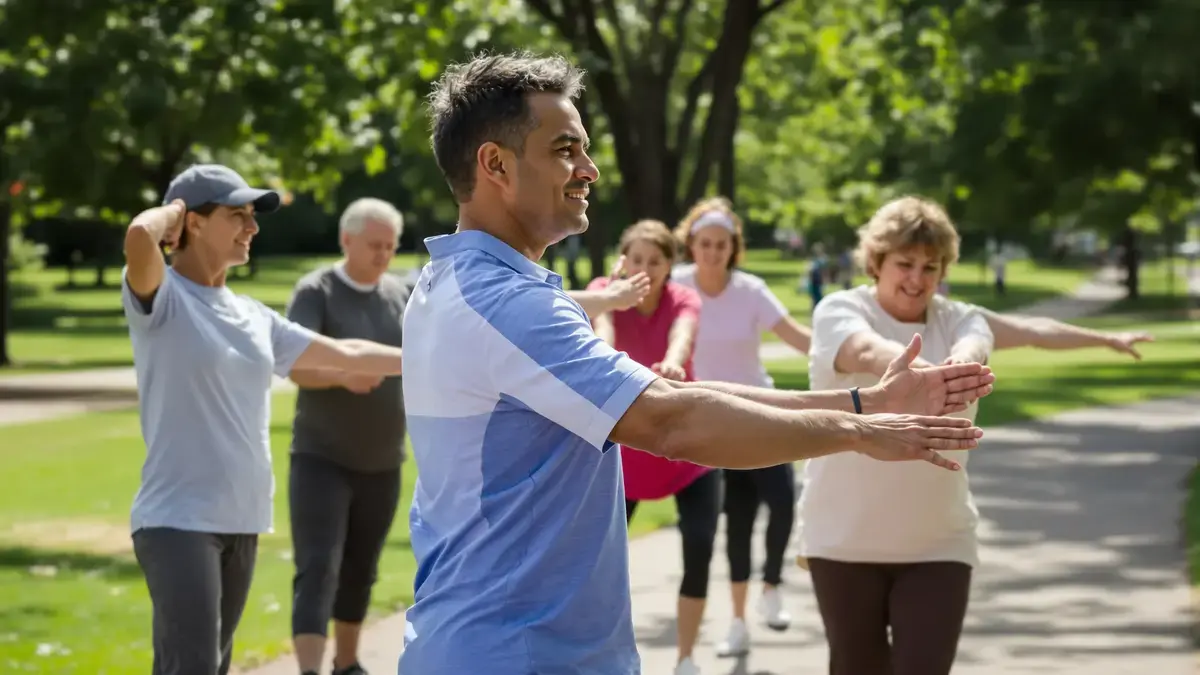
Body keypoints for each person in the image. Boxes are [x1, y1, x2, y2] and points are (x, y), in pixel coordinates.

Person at [398, 51, 995, 675]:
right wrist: (858, 432)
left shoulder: (456, 284)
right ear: (495, 163)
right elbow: (671, 423)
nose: (590, 169)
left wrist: (861, 402)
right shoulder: (507, 305)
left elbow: (664, 396)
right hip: (515, 653)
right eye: (565, 150)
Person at [120, 164, 406, 675]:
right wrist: (175, 211)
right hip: (178, 521)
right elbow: (141, 234)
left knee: (214, 665)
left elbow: (348, 353)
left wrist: (432, 359)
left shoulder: (252, 314)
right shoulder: (162, 299)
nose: (252, 228)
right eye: (237, 215)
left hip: (243, 518)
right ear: (194, 223)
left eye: (253, 217)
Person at [800, 195, 995, 675]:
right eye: (905, 264)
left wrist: (961, 363)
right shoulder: (839, 310)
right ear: (876, 262)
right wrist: (919, 373)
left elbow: (977, 343)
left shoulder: (961, 319)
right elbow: (863, 350)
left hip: (938, 542)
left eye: (931, 267)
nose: (917, 278)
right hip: (843, 540)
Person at [669, 197, 813, 656]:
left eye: (722, 245)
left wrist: (847, 351)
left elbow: (797, 337)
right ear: (691, 244)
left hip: (760, 412)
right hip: (711, 423)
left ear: (734, 248)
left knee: (783, 501)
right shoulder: (677, 287)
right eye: (705, 243)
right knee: (738, 525)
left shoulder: (750, 290)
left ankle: (772, 584)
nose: (713, 252)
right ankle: (737, 622)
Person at [283, 198, 412, 675]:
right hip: (322, 458)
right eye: (374, 245)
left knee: (361, 570)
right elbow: (295, 366)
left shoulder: (399, 295)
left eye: (390, 246)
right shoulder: (317, 291)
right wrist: (341, 376)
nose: (383, 255)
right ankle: (311, 670)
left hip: (383, 460)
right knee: (318, 567)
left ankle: (348, 663)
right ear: (346, 240)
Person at [586, 219, 714, 675]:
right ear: (623, 260)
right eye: (636, 259)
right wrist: (608, 360)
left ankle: (684, 657)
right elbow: (603, 328)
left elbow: (683, 332)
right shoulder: (605, 290)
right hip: (629, 454)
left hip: (687, 449)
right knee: (599, 561)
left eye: (655, 261)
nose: (644, 269)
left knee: (699, 545)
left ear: (669, 266)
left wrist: (674, 363)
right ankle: (598, 649)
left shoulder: (683, 297)